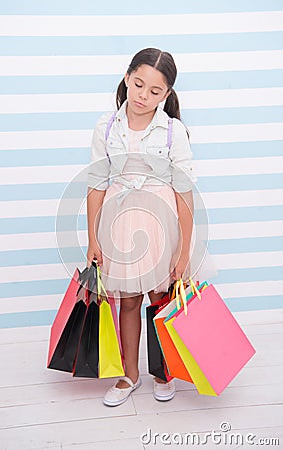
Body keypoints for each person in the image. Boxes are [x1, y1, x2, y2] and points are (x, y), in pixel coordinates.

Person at [86, 48, 213, 406]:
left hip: (161, 226)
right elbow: (96, 184)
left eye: (155, 91)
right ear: (127, 78)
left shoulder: (173, 131)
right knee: (126, 302)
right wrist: (93, 237)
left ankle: (163, 371)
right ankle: (130, 374)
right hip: (119, 224)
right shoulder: (106, 126)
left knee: (160, 301)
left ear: (167, 94)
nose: (143, 96)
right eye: (138, 84)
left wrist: (183, 250)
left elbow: (184, 192)